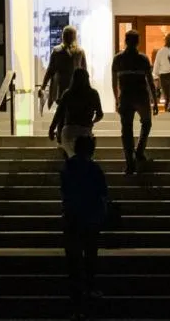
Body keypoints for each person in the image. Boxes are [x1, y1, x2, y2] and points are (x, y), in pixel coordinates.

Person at [61, 135, 111, 320]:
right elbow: (102, 193)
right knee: (90, 253)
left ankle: (75, 293)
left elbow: (65, 190)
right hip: (90, 217)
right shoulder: (94, 168)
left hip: (72, 216)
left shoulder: (68, 167)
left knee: (73, 257)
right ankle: (90, 287)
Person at [112, 29, 155, 173]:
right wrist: (154, 99)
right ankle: (139, 151)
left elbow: (114, 82)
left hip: (125, 96)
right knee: (146, 123)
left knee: (127, 130)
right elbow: (150, 81)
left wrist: (116, 99)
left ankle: (130, 163)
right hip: (141, 96)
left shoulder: (118, 59)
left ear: (125, 40)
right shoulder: (143, 59)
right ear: (138, 42)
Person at [50, 67, 103, 158]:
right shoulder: (93, 94)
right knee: (84, 155)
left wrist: (51, 129)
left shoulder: (68, 94)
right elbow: (100, 114)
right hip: (84, 131)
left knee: (72, 155)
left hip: (68, 131)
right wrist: (92, 121)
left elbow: (59, 114)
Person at [42, 26, 86, 111]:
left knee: (65, 113)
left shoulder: (79, 52)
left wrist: (43, 86)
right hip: (66, 88)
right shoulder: (78, 51)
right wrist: (43, 86)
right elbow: (50, 70)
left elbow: (50, 71)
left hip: (70, 88)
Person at [152, 32, 170, 113]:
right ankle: (169, 111)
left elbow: (156, 66)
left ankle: (167, 113)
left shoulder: (160, 51)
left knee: (166, 97)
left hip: (163, 76)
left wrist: (155, 77)